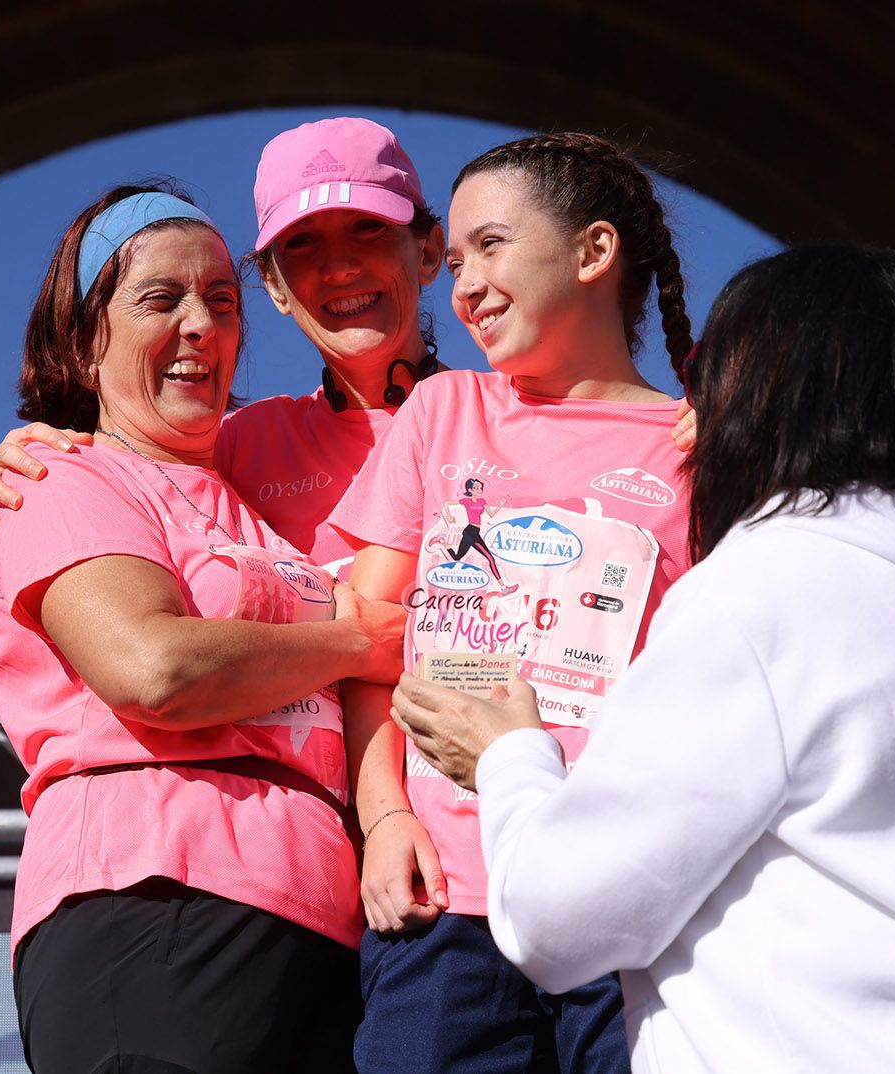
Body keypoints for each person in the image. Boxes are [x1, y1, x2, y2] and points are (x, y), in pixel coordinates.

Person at [388, 245, 895, 1074]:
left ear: (771, 392)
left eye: (711, 379)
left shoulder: (770, 591)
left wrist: (510, 757)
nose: (696, 414)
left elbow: (557, 918)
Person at [0, 182, 404, 1073]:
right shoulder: (62, 478)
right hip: (153, 898)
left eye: (221, 300)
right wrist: (358, 640)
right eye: (161, 299)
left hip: (322, 924)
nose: (201, 325)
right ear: (83, 340)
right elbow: (154, 669)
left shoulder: (258, 502)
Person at [329, 132, 696, 1074]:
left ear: (594, 250)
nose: (465, 286)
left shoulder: (703, 447)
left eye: (490, 246)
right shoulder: (441, 412)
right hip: (447, 898)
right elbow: (364, 641)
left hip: (627, 899)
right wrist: (385, 818)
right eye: (454, 263)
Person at [0, 117, 696, 577]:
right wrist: (40, 452)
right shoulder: (237, 447)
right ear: (274, 287)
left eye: (367, 229)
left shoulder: (507, 419)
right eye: (302, 245)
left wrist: (719, 427)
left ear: (427, 253)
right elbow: (125, 481)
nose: (340, 267)